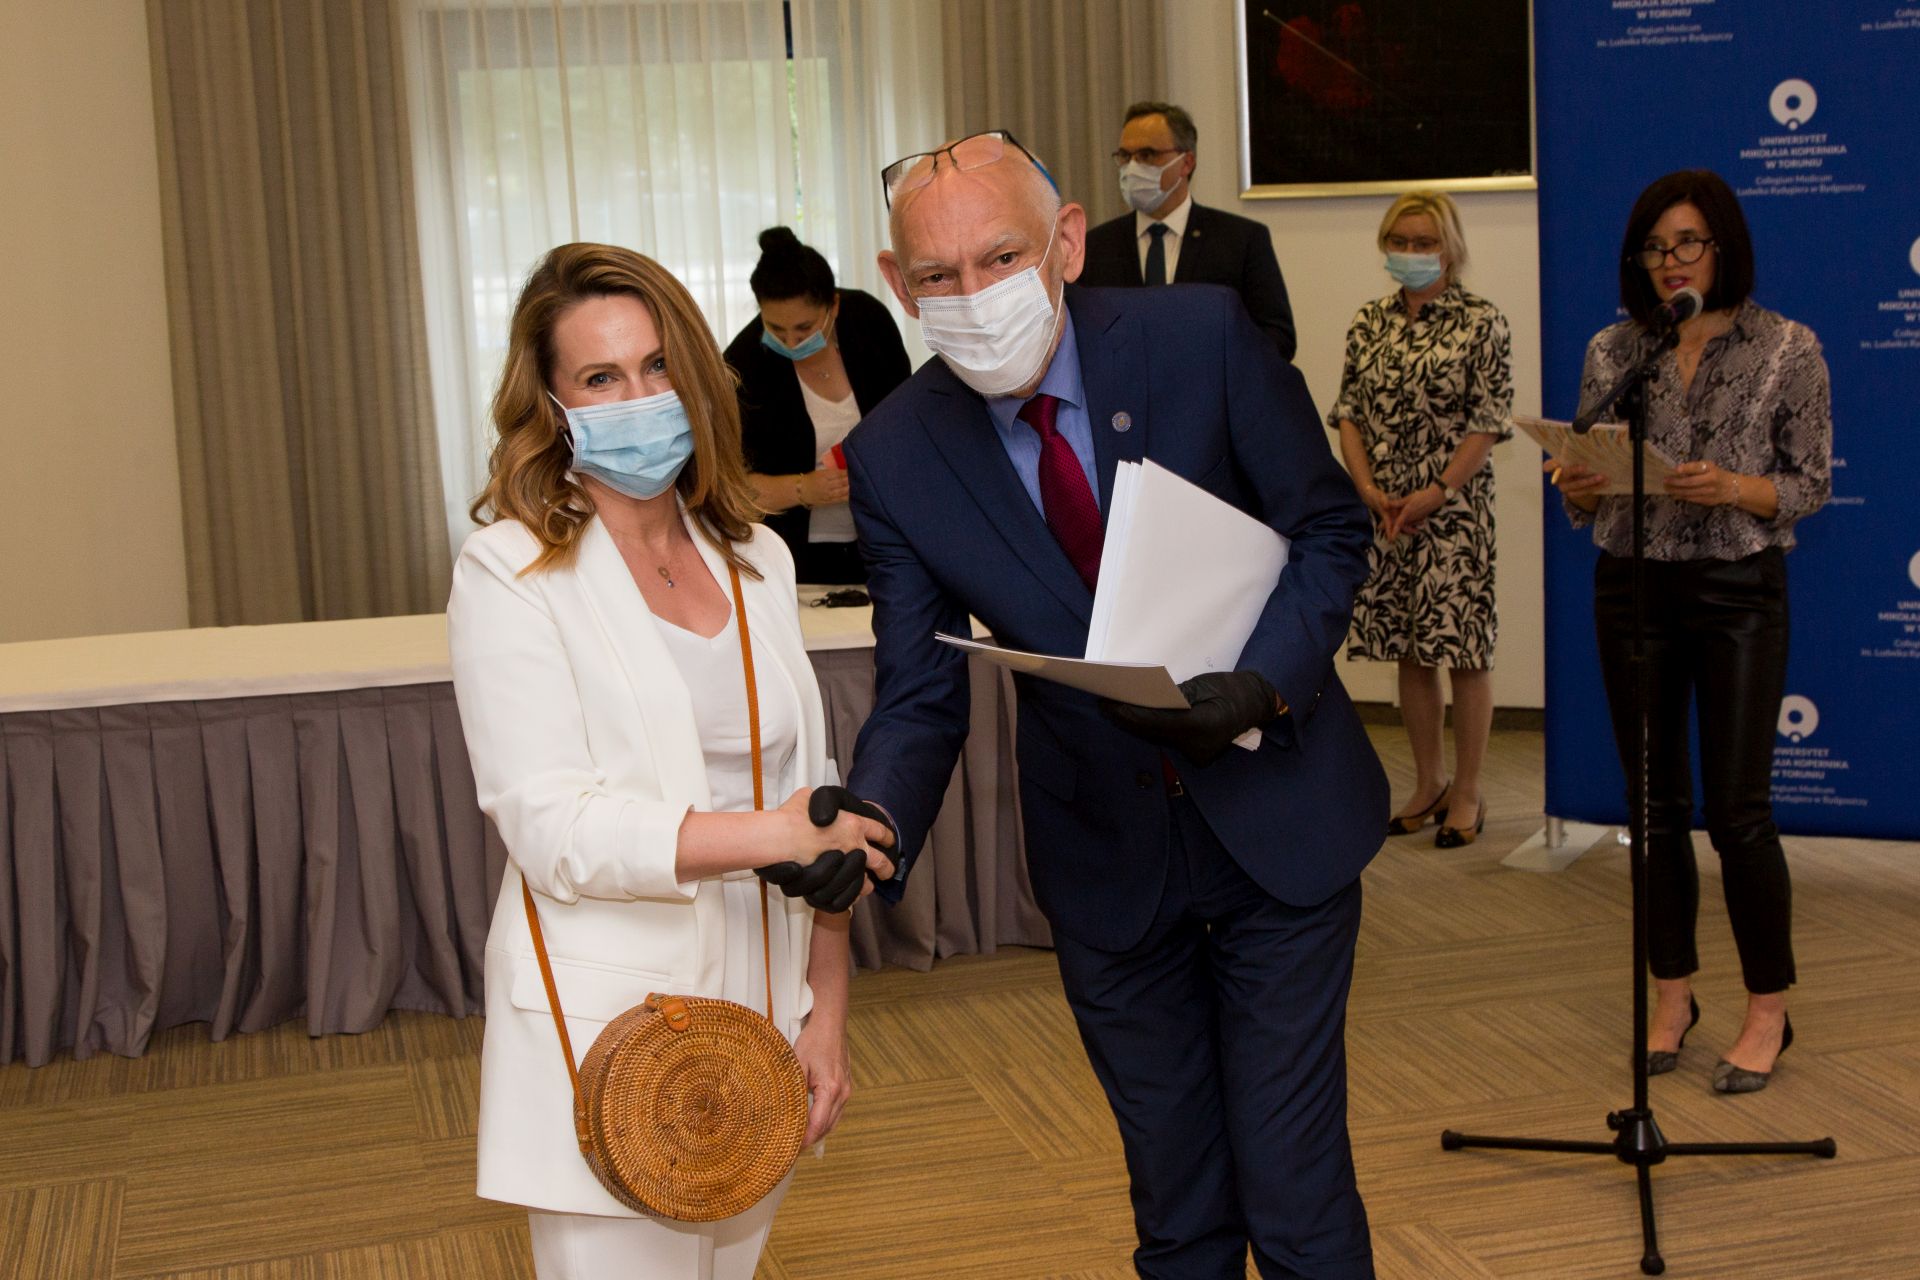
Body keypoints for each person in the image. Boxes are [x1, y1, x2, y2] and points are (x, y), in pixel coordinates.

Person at [847, 130, 1385, 1278]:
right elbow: (919, 690)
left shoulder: (1202, 337)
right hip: (1105, 856)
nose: (972, 296)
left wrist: (1262, 680)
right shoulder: (894, 454)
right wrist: (873, 819)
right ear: (897, 283)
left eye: (1000, 258)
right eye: (937, 275)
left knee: (1292, 1192)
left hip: (1277, 824)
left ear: (1068, 241)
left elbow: (1330, 529)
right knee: (1179, 1209)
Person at [446, 242, 896, 1278]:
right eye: (601, 377)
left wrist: (825, 1015)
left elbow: (815, 813)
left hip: (763, 1020)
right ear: (553, 405)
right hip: (612, 1032)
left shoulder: (755, 557)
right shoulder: (512, 568)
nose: (640, 397)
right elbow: (553, 826)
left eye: (657, 366)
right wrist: (774, 836)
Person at [1547, 170, 1831, 1095]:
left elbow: (1810, 482)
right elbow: (1587, 484)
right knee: (1652, 808)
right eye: (1654, 248)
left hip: (1738, 589)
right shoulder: (1615, 350)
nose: (1671, 263)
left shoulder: (1788, 347)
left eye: (1688, 244)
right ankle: (1672, 995)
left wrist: (1734, 488)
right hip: (1633, 587)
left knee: (1738, 814)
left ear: (1723, 247)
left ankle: (1767, 1009)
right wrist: (1579, 482)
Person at [1331, 191, 1513, 848]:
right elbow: (1349, 413)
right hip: (1386, 511)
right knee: (1408, 649)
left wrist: (1437, 490)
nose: (1410, 253)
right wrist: (1368, 489)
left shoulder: (1482, 321)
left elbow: (1487, 422)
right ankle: (1429, 781)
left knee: (1462, 650)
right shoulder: (1368, 321)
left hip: (1453, 512)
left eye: (1424, 242)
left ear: (1450, 247)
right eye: (1400, 242)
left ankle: (1467, 790)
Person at [724, 227, 912, 584]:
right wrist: (802, 489)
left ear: (834, 306)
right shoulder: (745, 365)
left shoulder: (868, 323)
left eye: (804, 328)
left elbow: (905, 419)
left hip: (884, 534)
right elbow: (731, 486)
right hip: (796, 551)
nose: (791, 342)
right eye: (776, 329)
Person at [1078, 101, 1299, 361]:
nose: (1132, 167)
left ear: (1186, 162)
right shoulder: (1096, 246)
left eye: (1147, 155)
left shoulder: (1242, 240)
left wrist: (1219, 365)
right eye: (1125, 156)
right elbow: (1080, 335)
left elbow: (1278, 336)